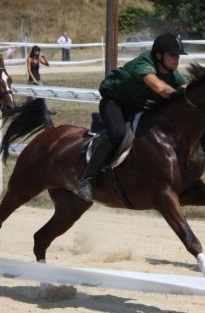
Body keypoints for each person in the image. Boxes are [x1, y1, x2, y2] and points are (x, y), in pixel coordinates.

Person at [73, 33, 188, 202]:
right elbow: (160, 88)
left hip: (136, 107)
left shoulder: (172, 73)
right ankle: (86, 180)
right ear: (159, 55)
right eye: (172, 55)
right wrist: (181, 93)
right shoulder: (145, 62)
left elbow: (185, 88)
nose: (176, 60)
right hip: (114, 103)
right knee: (118, 132)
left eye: (178, 56)